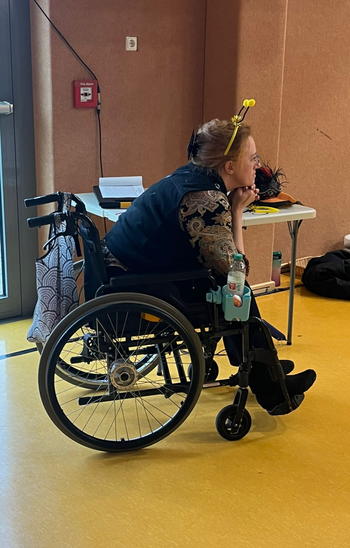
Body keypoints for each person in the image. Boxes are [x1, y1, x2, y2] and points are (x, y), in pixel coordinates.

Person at [102, 103, 316, 415]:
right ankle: (270, 388)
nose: (257, 165)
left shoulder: (190, 175)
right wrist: (238, 210)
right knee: (235, 293)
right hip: (144, 285)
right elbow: (237, 271)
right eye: (252, 158)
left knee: (226, 287)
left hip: (125, 268)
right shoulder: (207, 201)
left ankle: (261, 362)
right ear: (229, 166)